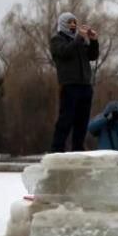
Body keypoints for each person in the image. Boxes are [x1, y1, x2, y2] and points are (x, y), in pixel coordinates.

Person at [49, 12, 99, 152]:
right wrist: (78, 39)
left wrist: (93, 41)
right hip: (69, 85)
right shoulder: (57, 40)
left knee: (82, 121)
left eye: (74, 22)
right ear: (63, 24)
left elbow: (92, 56)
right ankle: (57, 149)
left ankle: (78, 148)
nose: (73, 25)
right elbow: (65, 52)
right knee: (66, 119)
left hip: (85, 85)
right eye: (69, 22)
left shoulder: (80, 40)